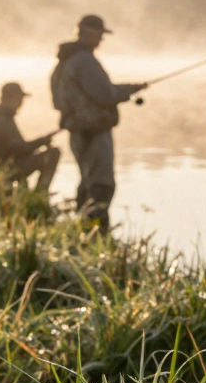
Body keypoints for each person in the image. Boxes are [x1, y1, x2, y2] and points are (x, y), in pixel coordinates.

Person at [50, 14, 146, 231]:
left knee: (86, 182)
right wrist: (128, 90)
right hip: (94, 130)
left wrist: (127, 89)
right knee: (101, 185)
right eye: (99, 35)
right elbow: (105, 95)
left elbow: (64, 99)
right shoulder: (84, 60)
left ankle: (81, 229)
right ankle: (97, 233)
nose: (101, 40)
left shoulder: (65, 61)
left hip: (77, 129)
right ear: (86, 33)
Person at [0, 81, 60, 192]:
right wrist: (42, 141)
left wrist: (41, 141)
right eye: (19, 98)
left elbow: (17, 148)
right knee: (53, 153)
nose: (21, 103)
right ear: (11, 98)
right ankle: (40, 193)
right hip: (1, 170)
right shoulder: (1, 120)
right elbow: (20, 149)